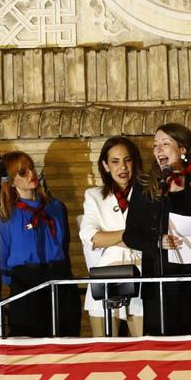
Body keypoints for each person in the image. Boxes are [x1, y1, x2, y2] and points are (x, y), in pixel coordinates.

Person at [123, 124, 191, 335]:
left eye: (165, 144)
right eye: (155, 145)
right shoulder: (145, 185)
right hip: (161, 282)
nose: (158, 149)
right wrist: (157, 242)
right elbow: (130, 235)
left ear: (182, 149)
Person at [0, 151, 81, 337]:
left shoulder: (56, 207)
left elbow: (64, 245)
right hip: (26, 284)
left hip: (59, 279)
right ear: (11, 181)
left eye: (31, 168)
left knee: (66, 339)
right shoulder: (8, 216)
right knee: (31, 343)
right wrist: (21, 281)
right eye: (22, 172)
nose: (31, 174)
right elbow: (0, 261)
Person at [80, 136, 144, 337]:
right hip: (105, 273)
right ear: (106, 166)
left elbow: (152, 235)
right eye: (115, 161)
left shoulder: (148, 193)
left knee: (147, 346)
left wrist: (111, 238)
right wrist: (131, 236)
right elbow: (91, 237)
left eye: (127, 160)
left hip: (142, 273)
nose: (122, 167)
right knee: (105, 348)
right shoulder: (94, 196)